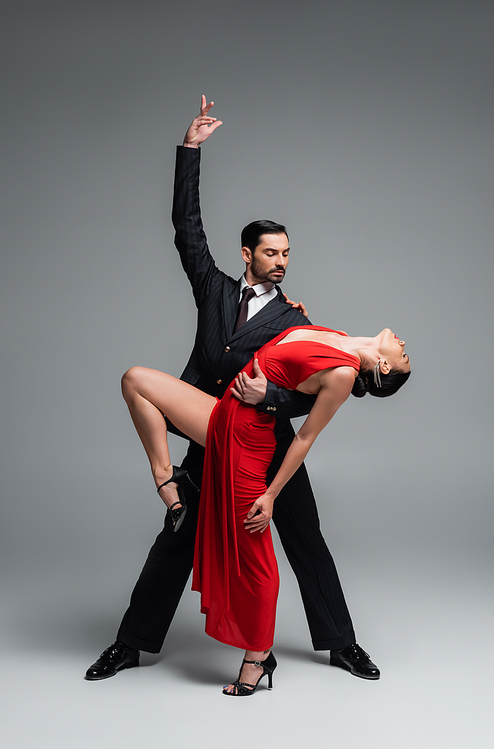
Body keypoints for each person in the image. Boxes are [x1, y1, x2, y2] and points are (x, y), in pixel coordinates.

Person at [85, 96, 383, 684]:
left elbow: (311, 393)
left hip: (267, 441)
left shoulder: (297, 322)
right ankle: (131, 642)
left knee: (305, 536)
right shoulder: (214, 290)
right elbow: (185, 227)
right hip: (207, 431)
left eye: (287, 254)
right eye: (271, 253)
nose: (281, 262)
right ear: (247, 254)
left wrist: (267, 401)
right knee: (177, 538)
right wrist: (190, 150)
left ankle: (342, 643)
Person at [118, 324, 410, 695]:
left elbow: (304, 437)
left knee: (257, 556)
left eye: (404, 355)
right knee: (135, 380)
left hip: (246, 441)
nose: (403, 343)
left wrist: (271, 494)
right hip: (225, 412)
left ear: (384, 367)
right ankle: (165, 478)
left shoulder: (343, 372)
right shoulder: (334, 335)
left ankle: (258, 658)